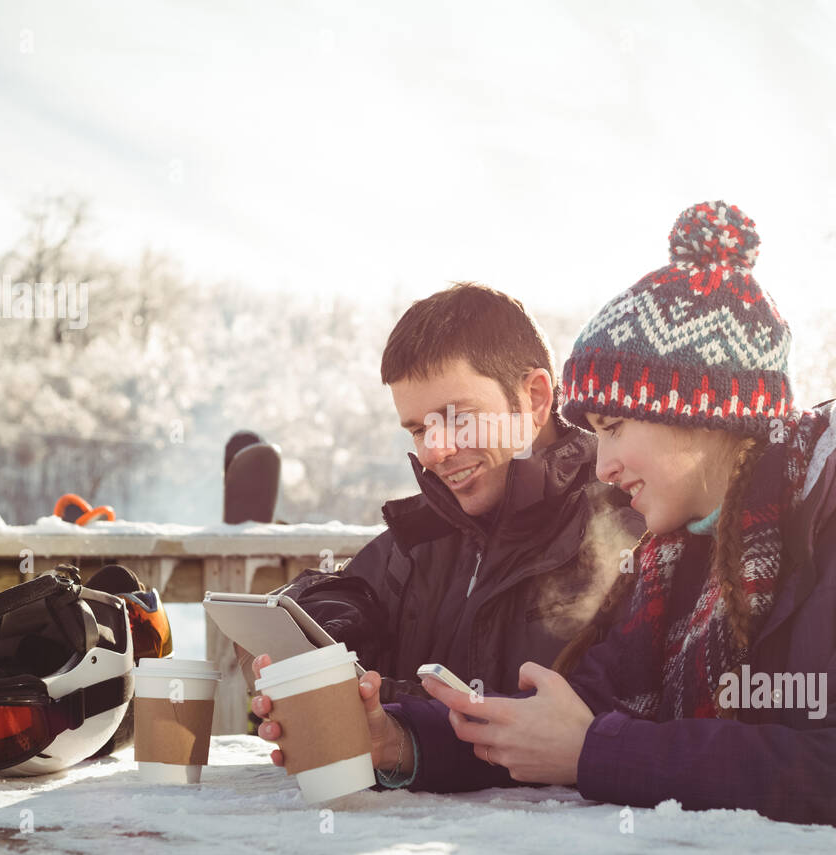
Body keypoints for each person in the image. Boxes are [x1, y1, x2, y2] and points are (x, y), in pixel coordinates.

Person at [255, 201, 836, 842]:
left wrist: (600, 752)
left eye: (615, 429)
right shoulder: (678, 558)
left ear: (702, 417)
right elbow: (561, 720)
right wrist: (402, 740)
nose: (599, 465)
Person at [250, 283, 645, 702]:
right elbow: (342, 591)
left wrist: (392, 715)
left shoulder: (632, 532)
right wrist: (327, 624)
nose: (435, 451)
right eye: (419, 429)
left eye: (457, 418)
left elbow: (578, 731)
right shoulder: (423, 535)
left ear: (534, 398)